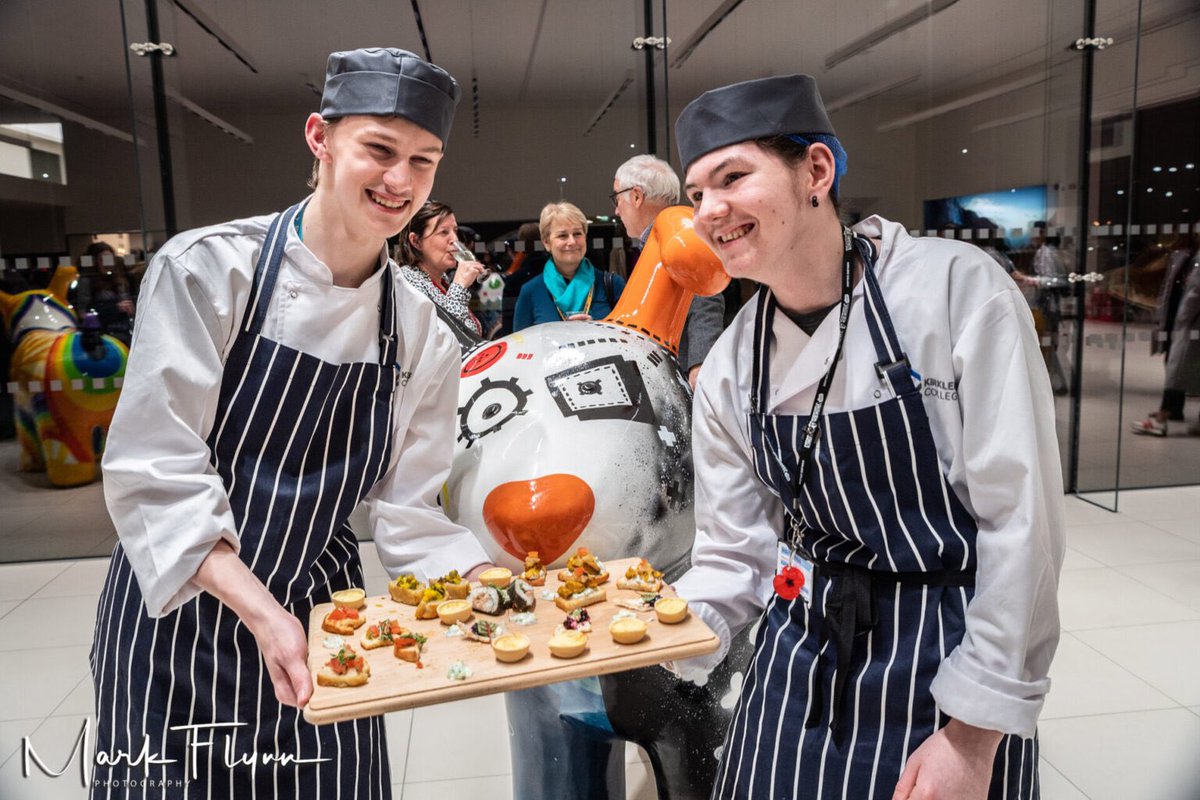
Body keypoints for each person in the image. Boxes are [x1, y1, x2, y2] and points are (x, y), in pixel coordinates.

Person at [89, 47, 491, 798]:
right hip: (179, 614)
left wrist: (488, 585)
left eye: (423, 161)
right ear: (319, 138)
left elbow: (409, 507)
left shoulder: (419, 331)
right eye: (379, 150)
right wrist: (261, 612)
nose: (400, 181)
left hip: (322, 623)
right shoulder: (209, 271)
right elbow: (155, 471)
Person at [669, 75, 1065, 799]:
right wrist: (649, 634)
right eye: (696, 193)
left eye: (732, 178)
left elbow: (1022, 525)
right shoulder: (731, 363)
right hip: (800, 641)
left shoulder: (954, 291)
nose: (708, 211)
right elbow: (735, 555)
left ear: (816, 171)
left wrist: (974, 736)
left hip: (946, 658)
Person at [612, 154, 725, 388]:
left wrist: (700, 363)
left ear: (636, 196)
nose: (616, 211)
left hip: (681, 375)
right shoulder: (663, 236)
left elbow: (705, 299)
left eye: (617, 198)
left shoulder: (680, 235)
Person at [513, 201, 625, 330]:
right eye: (562, 235)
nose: (572, 242)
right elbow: (520, 341)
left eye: (577, 234)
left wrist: (596, 329)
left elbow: (631, 336)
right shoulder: (531, 291)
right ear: (547, 243)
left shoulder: (612, 285)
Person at [1131, 232, 1200, 436]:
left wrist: (1182, 321)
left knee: (1177, 368)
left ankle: (1162, 418)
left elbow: (1195, 294)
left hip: (1191, 324)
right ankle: (1172, 411)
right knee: (1177, 365)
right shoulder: (1186, 256)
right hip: (1186, 322)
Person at [397, 199, 486, 351]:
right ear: (416, 241)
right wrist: (459, 287)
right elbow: (442, 342)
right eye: (444, 232)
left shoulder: (443, 281)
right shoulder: (407, 282)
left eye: (455, 231)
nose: (455, 239)